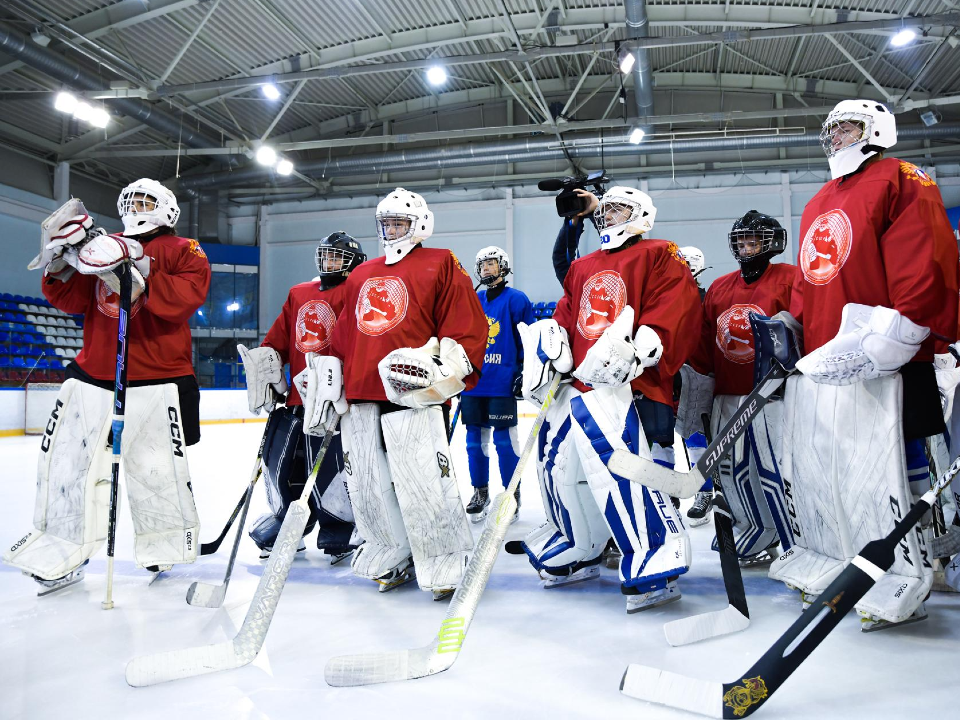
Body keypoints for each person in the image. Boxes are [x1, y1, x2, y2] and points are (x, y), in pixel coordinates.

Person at [769, 99, 959, 631]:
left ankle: (914, 567)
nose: (836, 138)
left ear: (876, 129)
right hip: (833, 360)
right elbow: (814, 278)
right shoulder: (818, 200)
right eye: (830, 130)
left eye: (847, 127)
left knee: (896, 464)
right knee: (839, 468)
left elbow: (924, 252)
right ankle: (853, 566)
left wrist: (907, 327)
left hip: (889, 358)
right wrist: (800, 331)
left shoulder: (901, 178)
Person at [4, 178, 210, 593]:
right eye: (131, 199)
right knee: (66, 466)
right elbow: (75, 299)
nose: (137, 206)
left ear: (168, 208)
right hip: (95, 372)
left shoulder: (183, 249)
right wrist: (61, 262)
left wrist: (136, 267)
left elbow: (187, 297)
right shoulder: (103, 243)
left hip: (157, 375)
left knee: (156, 472)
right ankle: (61, 545)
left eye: (146, 200)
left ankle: (163, 544)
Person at [519, 185, 703, 613]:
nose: (609, 215)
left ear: (640, 214)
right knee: (559, 468)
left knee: (626, 471)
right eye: (608, 209)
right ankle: (578, 541)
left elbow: (676, 305)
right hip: (581, 387)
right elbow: (567, 314)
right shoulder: (584, 266)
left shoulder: (660, 253)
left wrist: (642, 348)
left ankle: (654, 550)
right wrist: (549, 354)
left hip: (634, 387)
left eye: (620, 208)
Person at [307, 188, 488, 600]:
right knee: (369, 482)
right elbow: (345, 334)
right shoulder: (361, 273)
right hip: (362, 394)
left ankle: (443, 554)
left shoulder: (441, 261)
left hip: (413, 390)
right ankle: (389, 545)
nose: (390, 230)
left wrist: (453, 366)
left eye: (398, 223)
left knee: (421, 478)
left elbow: (463, 320)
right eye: (385, 223)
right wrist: (330, 372)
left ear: (420, 224)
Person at [239, 232, 366, 561]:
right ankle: (288, 521)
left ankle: (338, 524)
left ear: (355, 262)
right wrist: (267, 368)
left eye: (338, 257)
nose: (330, 263)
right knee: (282, 463)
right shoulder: (299, 293)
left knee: (328, 469)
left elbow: (358, 343)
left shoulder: (354, 293)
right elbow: (278, 340)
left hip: (334, 401)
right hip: (296, 399)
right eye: (326, 255)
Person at [679, 214, 799, 564]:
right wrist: (695, 386)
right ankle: (753, 528)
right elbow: (703, 341)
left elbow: (803, 329)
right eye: (742, 241)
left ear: (771, 242)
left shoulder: (790, 279)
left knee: (774, 468)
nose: (747, 247)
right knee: (730, 467)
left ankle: (792, 534)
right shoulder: (719, 286)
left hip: (772, 396)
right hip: (727, 394)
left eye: (754, 241)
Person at [461, 246, 535, 523]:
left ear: (502, 266)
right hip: (474, 384)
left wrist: (524, 372)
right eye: (482, 265)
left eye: (491, 263)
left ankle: (510, 494)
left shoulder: (517, 299)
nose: (486, 269)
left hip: (502, 383)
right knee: (473, 443)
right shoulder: (474, 299)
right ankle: (480, 492)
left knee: (504, 442)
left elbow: (529, 339)